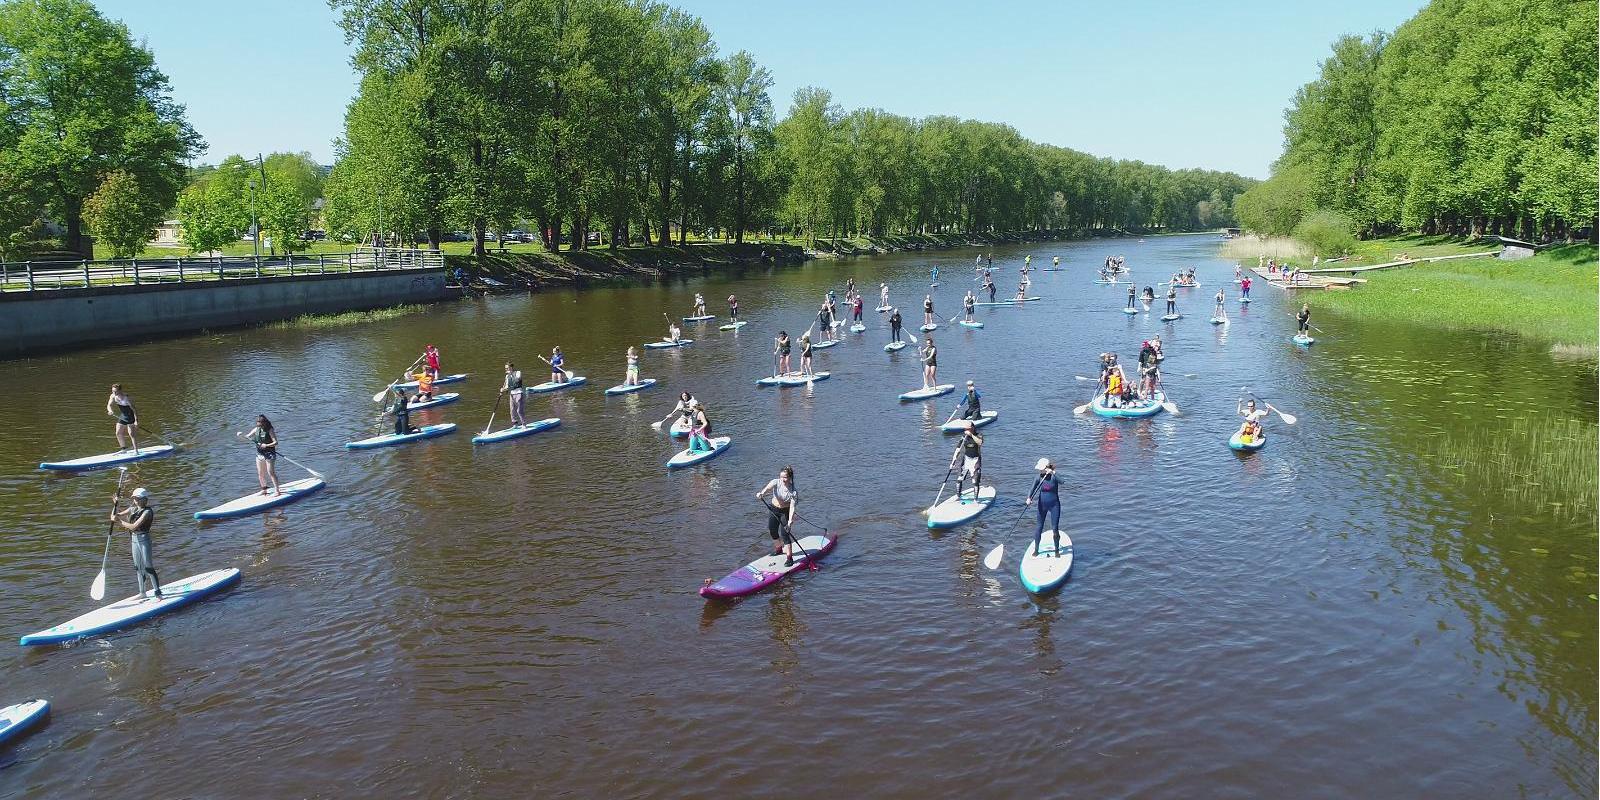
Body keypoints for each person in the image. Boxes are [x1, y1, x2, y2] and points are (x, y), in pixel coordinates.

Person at [111, 487, 161, 599]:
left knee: (148, 567)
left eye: (138, 499)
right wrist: (116, 505)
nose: (136, 501)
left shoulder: (147, 512)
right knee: (138, 567)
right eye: (134, 499)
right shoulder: (131, 509)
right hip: (134, 540)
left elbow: (134, 526)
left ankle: (158, 593)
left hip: (144, 540)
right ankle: (142, 593)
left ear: (145, 499)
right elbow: (114, 516)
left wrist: (119, 521)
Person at [757, 466, 800, 564]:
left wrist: (790, 521)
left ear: (790, 477)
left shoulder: (793, 491)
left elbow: (792, 507)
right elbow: (767, 488)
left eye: (785, 477)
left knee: (785, 534)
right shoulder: (775, 482)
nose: (783, 479)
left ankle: (790, 558)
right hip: (774, 509)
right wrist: (761, 494)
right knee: (772, 530)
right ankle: (779, 549)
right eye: (781, 477)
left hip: (785, 511)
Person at [1024, 458, 1062, 557]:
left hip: (1054, 505)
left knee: (1055, 528)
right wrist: (1028, 498)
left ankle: (1057, 551)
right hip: (1042, 505)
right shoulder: (1038, 478)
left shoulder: (1054, 477)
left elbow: (1062, 481)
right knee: (1039, 527)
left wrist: (1053, 473)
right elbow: (1032, 488)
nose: (1040, 471)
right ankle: (1036, 550)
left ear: (1046, 468)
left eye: (1041, 469)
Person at [239, 415, 280, 496]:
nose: (259, 426)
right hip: (260, 454)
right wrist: (241, 436)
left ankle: (277, 491)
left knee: (271, 472)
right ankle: (264, 489)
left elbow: (275, 442)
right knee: (260, 473)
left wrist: (266, 445)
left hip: (270, 454)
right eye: (258, 425)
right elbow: (246, 438)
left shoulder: (270, 430)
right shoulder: (256, 429)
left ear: (264, 423)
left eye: (261, 425)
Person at [953, 422, 983, 500]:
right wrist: (953, 461)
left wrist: (971, 435)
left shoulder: (978, 435)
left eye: (968, 429)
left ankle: (975, 499)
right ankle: (958, 495)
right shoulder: (964, 437)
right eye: (966, 429)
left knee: (975, 481)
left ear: (972, 428)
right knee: (959, 479)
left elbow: (980, 442)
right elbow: (958, 449)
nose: (966, 430)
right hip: (966, 460)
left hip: (975, 461)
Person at [106, 383, 140, 452]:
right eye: (113, 391)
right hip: (123, 415)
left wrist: (136, 420)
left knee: (131, 434)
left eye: (115, 391)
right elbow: (109, 405)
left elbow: (134, 409)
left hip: (131, 416)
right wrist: (110, 411)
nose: (114, 392)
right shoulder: (113, 396)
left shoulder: (127, 398)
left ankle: (136, 451)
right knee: (118, 432)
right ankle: (124, 449)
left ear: (120, 391)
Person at [502, 361, 526, 427]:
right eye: (505, 369)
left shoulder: (518, 372)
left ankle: (524, 424)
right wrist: (503, 389)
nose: (506, 370)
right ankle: (515, 424)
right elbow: (507, 386)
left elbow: (517, 380)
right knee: (512, 410)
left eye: (507, 368)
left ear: (511, 367)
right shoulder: (507, 376)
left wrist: (511, 374)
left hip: (519, 393)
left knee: (519, 410)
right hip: (512, 394)